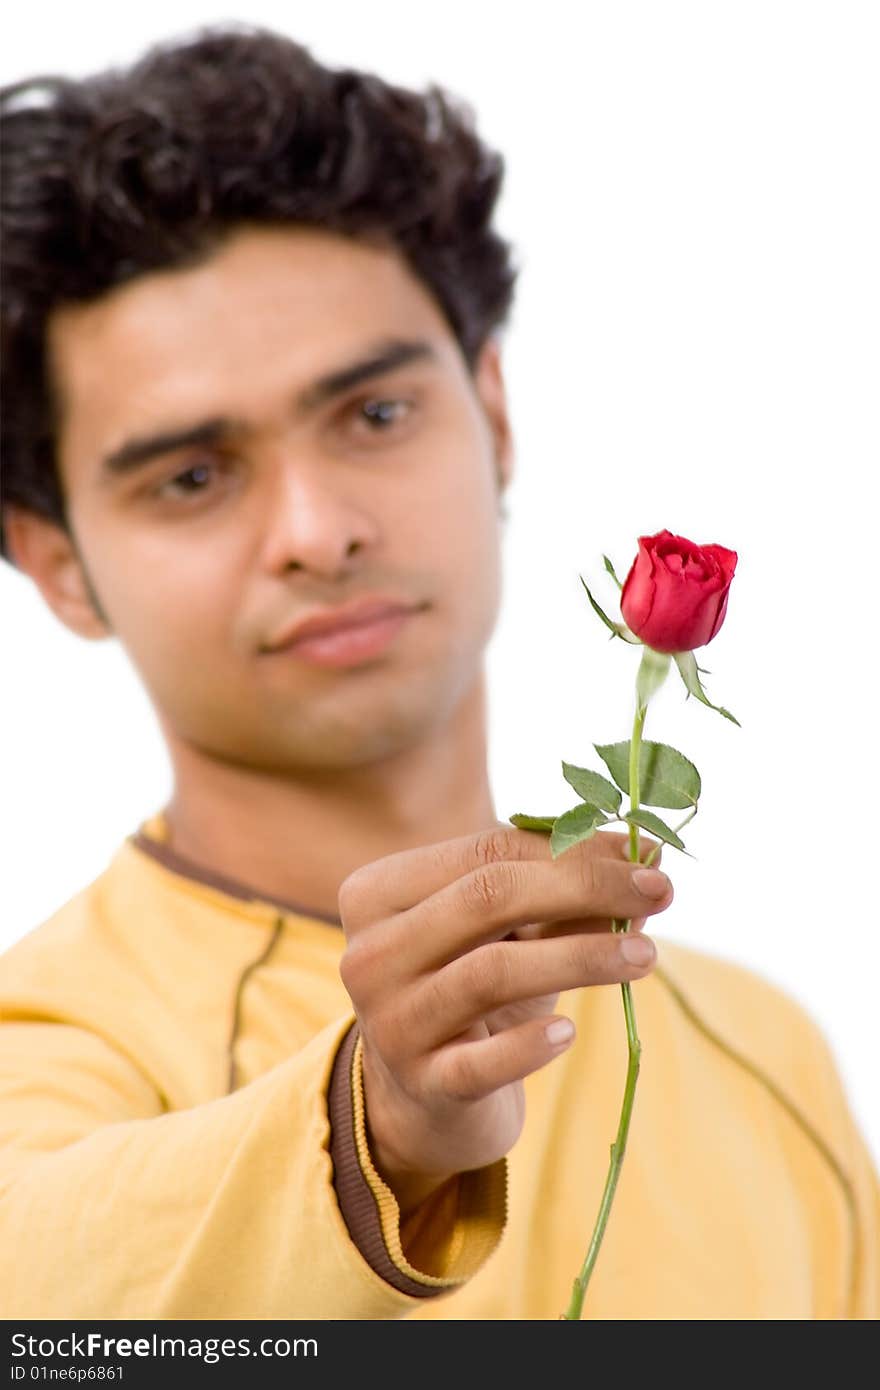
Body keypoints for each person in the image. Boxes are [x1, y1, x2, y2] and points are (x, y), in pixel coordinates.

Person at [1, 24, 877, 1322]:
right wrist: (374, 1126)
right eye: (191, 475)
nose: (317, 529)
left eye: (374, 413)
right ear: (59, 566)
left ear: (497, 418)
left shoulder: (770, 1060)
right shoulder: (55, 1054)